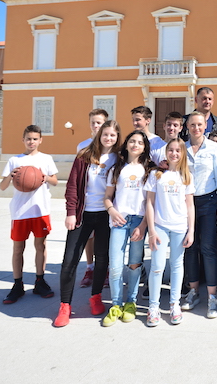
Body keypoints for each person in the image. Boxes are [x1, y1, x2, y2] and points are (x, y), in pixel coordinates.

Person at [54, 120, 120, 327]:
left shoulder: (119, 159)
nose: (109, 138)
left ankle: (96, 298)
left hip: (105, 216)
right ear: (99, 134)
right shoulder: (84, 156)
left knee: (102, 259)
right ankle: (65, 306)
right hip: (83, 214)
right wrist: (71, 213)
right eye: (106, 134)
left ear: (117, 138)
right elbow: (72, 186)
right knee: (69, 260)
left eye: (113, 135)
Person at [0, 124, 58, 304]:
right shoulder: (14, 160)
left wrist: (44, 177)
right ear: (23, 140)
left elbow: (55, 181)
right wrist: (11, 176)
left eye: (35, 139)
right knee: (18, 248)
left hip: (40, 210)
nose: (31, 142)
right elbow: (2, 186)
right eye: (28, 139)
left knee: (41, 246)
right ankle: (18, 284)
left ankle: (40, 281)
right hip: (19, 211)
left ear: (40, 140)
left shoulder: (46, 159)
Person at [101, 130, 153, 327]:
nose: (135, 145)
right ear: (126, 144)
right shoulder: (116, 169)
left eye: (140, 142)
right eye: (132, 141)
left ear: (144, 147)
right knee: (115, 265)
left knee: (134, 264)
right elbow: (107, 196)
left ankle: (131, 302)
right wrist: (112, 211)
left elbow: (150, 201)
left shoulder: (148, 169)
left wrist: (143, 224)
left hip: (139, 220)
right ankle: (115, 305)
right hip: (119, 220)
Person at [143, 138, 195, 326]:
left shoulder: (186, 176)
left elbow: (190, 205)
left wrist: (191, 231)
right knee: (157, 267)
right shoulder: (156, 175)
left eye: (177, 151)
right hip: (160, 227)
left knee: (176, 265)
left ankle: (174, 304)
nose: (174, 153)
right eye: (170, 150)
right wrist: (151, 230)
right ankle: (153, 307)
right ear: (166, 153)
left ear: (182, 154)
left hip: (180, 227)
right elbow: (149, 203)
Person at [181, 112, 217, 318]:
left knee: (208, 247)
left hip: (209, 202)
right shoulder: (181, 147)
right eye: (192, 124)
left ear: (205, 125)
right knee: (190, 247)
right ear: (188, 126)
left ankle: (212, 297)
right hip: (186, 203)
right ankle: (193, 292)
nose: (196, 128)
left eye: (200, 124)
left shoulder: (214, 147)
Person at [75, 108, 108, 289]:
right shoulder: (82, 146)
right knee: (89, 238)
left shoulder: (113, 147)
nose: (96, 125)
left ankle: (106, 270)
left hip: (107, 204)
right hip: (88, 203)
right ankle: (90, 268)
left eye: (100, 122)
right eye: (94, 122)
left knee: (105, 239)